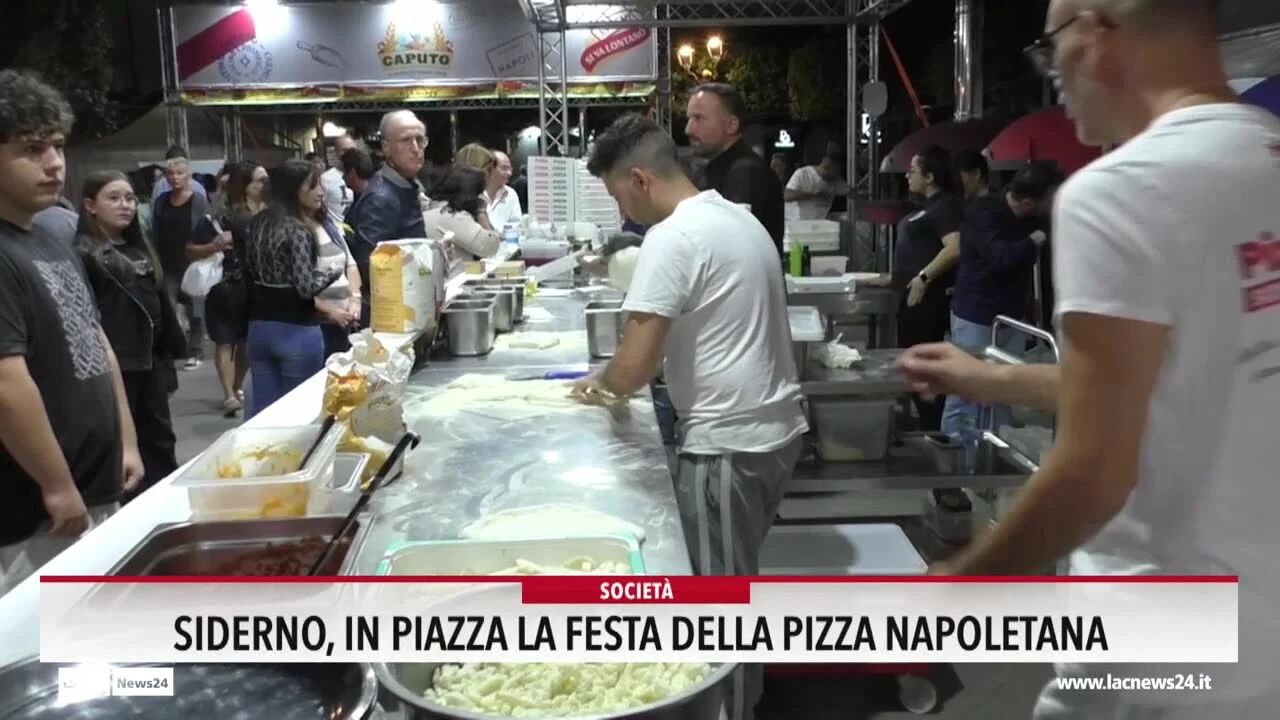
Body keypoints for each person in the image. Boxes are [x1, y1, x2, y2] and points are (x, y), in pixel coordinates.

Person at [899, 0, 1280, 717]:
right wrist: (988, 378)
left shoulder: (1121, 191)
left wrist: (955, 586)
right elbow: (1173, 380)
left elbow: (1093, 472)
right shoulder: (1264, 152)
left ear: (1096, 33)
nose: (1054, 77)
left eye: (1050, 47)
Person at [575, 113, 807, 720]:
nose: (622, 211)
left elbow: (631, 369)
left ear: (640, 178)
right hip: (775, 434)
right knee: (735, 585)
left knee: (716, 606)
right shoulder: (738, 217)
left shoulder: (673, 238)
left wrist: (592, 388)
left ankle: (732, 709)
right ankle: (742, 697)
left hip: (728, 445)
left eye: (617, 194)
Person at [0, 70, 144, 593]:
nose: (54, 162)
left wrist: (125, 438)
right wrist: (57, 486)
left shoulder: (51, 237)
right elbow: (5, 382)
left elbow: (95, 340)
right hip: (37, 511)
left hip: (93, 487)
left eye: (57, 146)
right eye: (32, 149)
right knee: (39, 657)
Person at [74, 172, 185, 497]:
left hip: (151, 362)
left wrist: (168, 356)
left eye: (130, 198)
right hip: (118, 366)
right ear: (90, 206)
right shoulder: (85, 253)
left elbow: (160, 308)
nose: (125, 205)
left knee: (161, 444)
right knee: (123, 450)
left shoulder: (140, 246)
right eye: (114, 198)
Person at [941, 161, 1060, 441]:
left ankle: (993, 456)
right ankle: (951, 461)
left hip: (1012, 317)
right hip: (976, 315)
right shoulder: (983, 213)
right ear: (1029, 201)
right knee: (966, 389)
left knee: (1003, 392)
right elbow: (1001, 258)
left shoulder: (1037, 218)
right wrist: (1035, 240)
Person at [242, 160, 345, 417]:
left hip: (258, 330)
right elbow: (305, 287)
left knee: (266, 417)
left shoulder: (256, 224)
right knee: (300, 416)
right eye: (313, 185)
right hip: (296, 331)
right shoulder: (298, 231)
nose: (320, 191)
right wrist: (333, 270)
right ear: (294, 190)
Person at [893, 144, 962, 430]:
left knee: (924, 366)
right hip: (911, 297)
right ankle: (924, 421)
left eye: (913, 170)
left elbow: (955, 247)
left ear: (930, 176)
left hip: (929, 302)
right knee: (912, 363)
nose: (908, 175)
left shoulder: (945, 206)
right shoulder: (925, 208)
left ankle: (933, 426)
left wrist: (923, 278)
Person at [192, 160, 266, 416]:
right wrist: (215, 246)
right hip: (224, 285)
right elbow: (190, 248)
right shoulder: (223, 216)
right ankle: (228, 394)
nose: (266, 185)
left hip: (253, 287)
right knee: (224, 341)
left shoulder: (269, 212)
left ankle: (236, 387)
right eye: (260, 180)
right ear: (247, 186)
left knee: (245, 342)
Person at [347, 110, 428, 326]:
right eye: (405, 140)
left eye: (420, 140)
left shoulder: (405, 184)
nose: (415, 148)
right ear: (385, 148)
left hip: (408, 308)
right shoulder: (381, 197)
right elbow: (371, 265)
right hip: (391, 318)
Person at [685, 83, 785, 253]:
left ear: (732, 125)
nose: (688, 129)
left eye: (699, 118)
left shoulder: (745, 172)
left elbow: (732, 249)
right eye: (689, 118)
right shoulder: (722, 169)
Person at [153, 153, 211, 371]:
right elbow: (155, 230)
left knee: (194, 308)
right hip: (167, 261)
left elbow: (205, 227)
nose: (174, 177)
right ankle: (176, 346)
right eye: (170, 173)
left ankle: (195, 350)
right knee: (167, 306)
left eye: (179, 173)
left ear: (188, 176)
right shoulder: (161, 201)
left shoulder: (197, 199)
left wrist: (205, 252)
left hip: (191, 260)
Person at [424, 166, 501, 261]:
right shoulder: (453, 215)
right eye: (480, 193)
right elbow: (490, 247)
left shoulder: (435, 209)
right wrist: (481, 212)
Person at [783, 150, 850, 220]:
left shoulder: (836, 180)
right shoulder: (803, 173)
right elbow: (787, 195)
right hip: (798, 222)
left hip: (819, 223)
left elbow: (850, 192)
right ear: (825, 167)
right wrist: (814, 194)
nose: (833, 179)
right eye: (834, 173)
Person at [321, 134, 358, 226]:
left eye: (352, 151)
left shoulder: (362, 176)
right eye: (344, 150)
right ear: (336, 152)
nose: (349, 154)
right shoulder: (325, 179)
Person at [484, 149, 522, 232]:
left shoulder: (511, 194)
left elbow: (517, 224)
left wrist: (502, 231)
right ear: (490, 168)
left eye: (510, 169)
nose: (509, 173)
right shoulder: (476, 192)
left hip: (505, 242)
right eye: (504, 168)